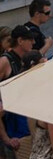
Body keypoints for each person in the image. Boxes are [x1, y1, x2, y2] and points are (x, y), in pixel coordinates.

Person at [0, 26, 34, 156]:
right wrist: (5, 138)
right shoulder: (5, 61)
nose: (34, 42)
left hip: (21, 123)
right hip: (7, 125)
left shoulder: (25, 58)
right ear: (20, 41)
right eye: (30, 39)